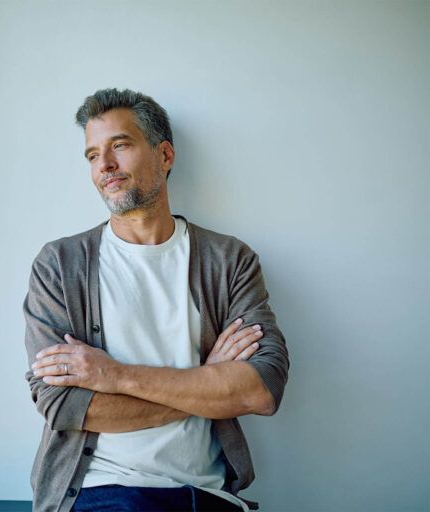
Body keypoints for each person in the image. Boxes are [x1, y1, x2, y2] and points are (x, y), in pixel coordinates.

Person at [23, 88, 290, 512]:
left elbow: (260, 389)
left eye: (120, 146)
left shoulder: (229, 260)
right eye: (92, 155)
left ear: (165, 155)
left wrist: (114, 376)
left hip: (210, 494)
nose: (104, 165)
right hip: (101, 490)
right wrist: (207, 382)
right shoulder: (60, 264)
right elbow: (63, 405)